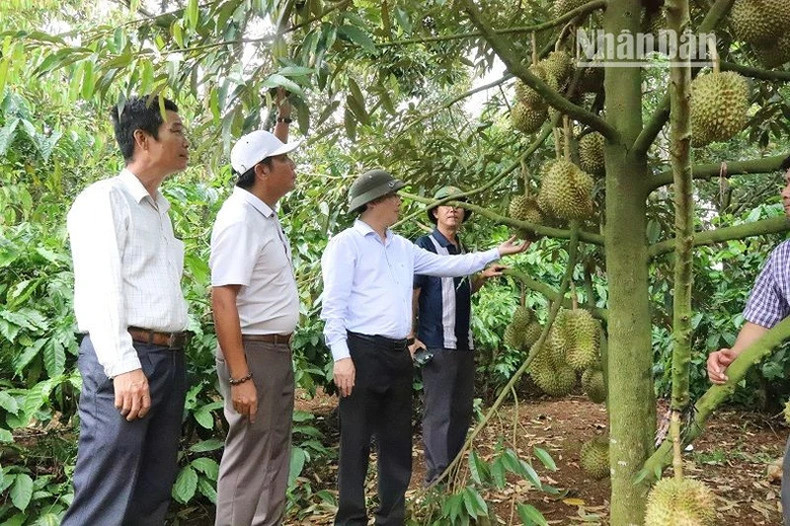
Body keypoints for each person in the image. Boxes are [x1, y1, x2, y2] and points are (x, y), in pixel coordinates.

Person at [320, 170, 529, 526]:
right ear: (373, 203)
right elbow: (333, 308)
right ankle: (351, 519)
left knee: (397, 443)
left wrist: (496, 250)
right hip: (361, 353)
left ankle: (392, 518)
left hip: (397, 354)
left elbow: (449, 265)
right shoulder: (346, 245)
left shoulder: (403, 247)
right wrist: (342, 357)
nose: (400, 201)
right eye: (394, 196)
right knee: (355, 443)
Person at [62, 95, 190, 525]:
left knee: (151, 493)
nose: (185, 138)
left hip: (168, 358)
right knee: (105, 493)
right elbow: (100, 290)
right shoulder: (105, 200)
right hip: (128, 360)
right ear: (143, 139)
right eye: (175, 130)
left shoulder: (160, 210)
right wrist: (123, 367)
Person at [210, 92, 300, 526]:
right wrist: (241, 375)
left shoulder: (262, 210)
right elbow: (223, 296)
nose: (293, 164)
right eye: (284, 160)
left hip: (275, 352)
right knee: (248, 459)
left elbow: (270, 147)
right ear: (262, 171)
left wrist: (282, 115)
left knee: (273, 452)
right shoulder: (239, 218)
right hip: (254, 355)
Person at [707, 154, 790, 526]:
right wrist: (730, 357)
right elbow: (759, 324)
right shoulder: (782, 258)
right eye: (785, 183)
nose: (786, 193)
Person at [410, 186, 507, 486]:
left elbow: (457, 289)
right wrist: (410, 336)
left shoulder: (462, 250)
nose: (453, 209)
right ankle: (436, 481)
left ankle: (451, 476)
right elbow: (412, 293)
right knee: (439, 414)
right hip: (436, 342)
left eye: (459, 205)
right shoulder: (424, 245)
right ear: (435, 212)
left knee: (461, 412)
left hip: (463, 343)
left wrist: (480, 279)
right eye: (446, 205)